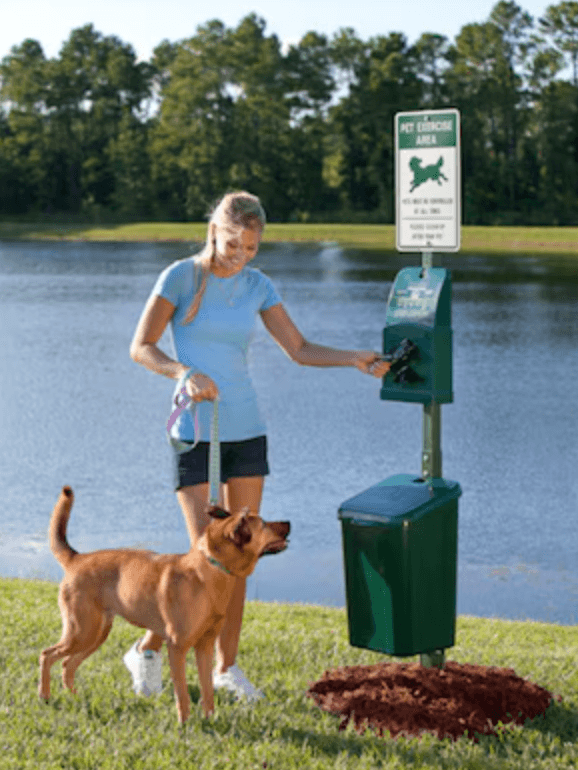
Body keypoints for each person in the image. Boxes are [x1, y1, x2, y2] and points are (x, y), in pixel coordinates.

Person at [123, 191, 391, 701]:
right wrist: (183, 372)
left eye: (251, 247)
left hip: (246, 429)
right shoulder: (179, 277)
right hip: (196, 432)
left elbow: (300, 348)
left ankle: (227, 668)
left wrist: (353, 357)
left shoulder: (258, 285)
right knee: (206, 560)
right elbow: (141, 347)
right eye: (233, 244)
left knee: (241, 558)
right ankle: (149, 649)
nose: (240, 256)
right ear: (214, 231)